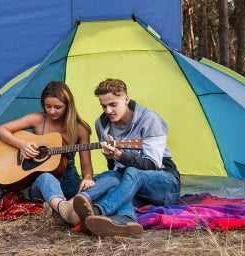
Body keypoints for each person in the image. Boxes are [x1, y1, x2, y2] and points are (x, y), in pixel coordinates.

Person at [69, 78, 180, 237]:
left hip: (165, 184)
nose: (108, 111)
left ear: (126, 99)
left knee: (132, 172)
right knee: (114, 179)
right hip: (134, 188)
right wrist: (111, 157)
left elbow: (152, 166)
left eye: (113, 104)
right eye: (103, 106)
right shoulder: (102, 124)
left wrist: (119, 155)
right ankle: (126, 220)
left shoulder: (150, 119)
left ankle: (98, 210)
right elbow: (114, 167)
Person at [0, 80, 94, 225]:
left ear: (68, 106)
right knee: (46, 177)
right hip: (41, 186)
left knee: (106, 181)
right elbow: (1, 130)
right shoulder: (38, 119)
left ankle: (60, 207)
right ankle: (63, 208)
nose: (52, 111)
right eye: (48, 106)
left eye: (58, 107)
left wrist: (88, 177)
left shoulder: (80, 128)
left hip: (69, 182)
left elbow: (86, 164)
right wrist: (22, 145)